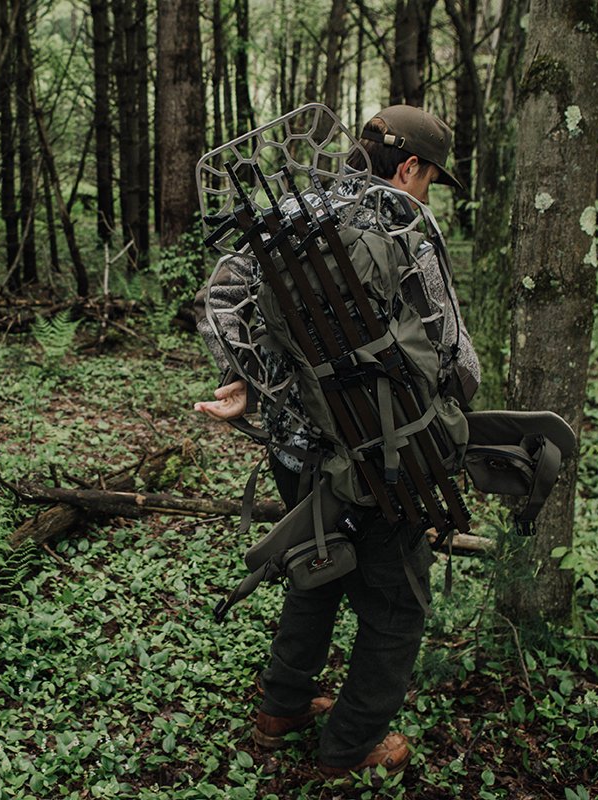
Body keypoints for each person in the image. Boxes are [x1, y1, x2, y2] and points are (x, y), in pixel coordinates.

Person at [193, 105, 480, 779]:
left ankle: (281, 708)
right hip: (382, 464)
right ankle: (351, 745)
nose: (429, 191)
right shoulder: (409, 230)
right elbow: (457, 362)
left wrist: (244, 379)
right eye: (431, 177)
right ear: (409, 167)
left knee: (315, 570)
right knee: (398, 608)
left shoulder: (292, 214)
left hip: (295, 451)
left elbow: (221, 297)